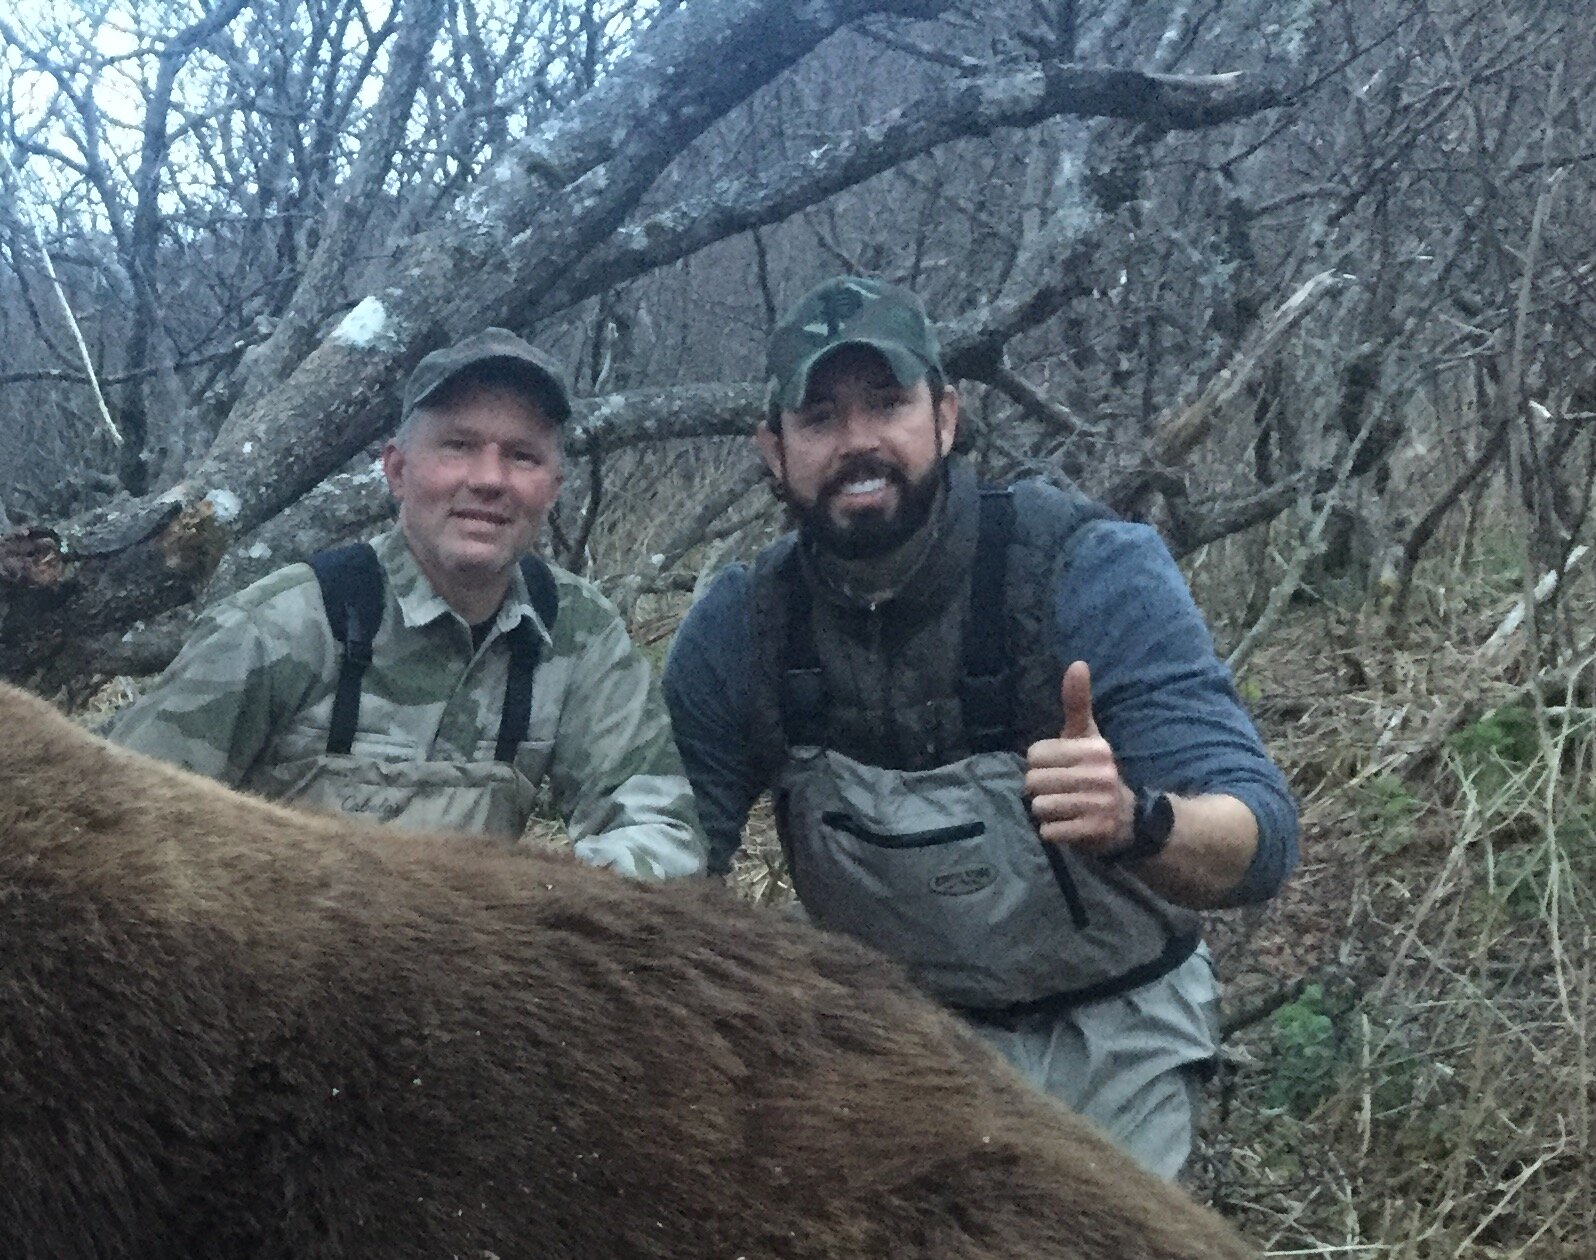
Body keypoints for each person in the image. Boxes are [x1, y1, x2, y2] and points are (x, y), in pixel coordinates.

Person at [660, 276, 1301, 1177]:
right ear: (773, 450)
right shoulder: (740, 626)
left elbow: (1260, 839)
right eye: (820, 419)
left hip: (1116, 1032)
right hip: (896, 1041)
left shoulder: (1086, 567)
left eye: (887, 405)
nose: (859, 444)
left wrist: (1139, 821)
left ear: (947, 417)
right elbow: (668, 858)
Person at [108, 331, 703, 880]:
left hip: (481, 961)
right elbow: (119, 824)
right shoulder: (281, 625)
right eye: (458, 446)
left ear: (553, 488)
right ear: (396, 471)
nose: (490, 479)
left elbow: (661, 834)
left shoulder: (580, 632)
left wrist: (536, 914)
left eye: (523, 456)